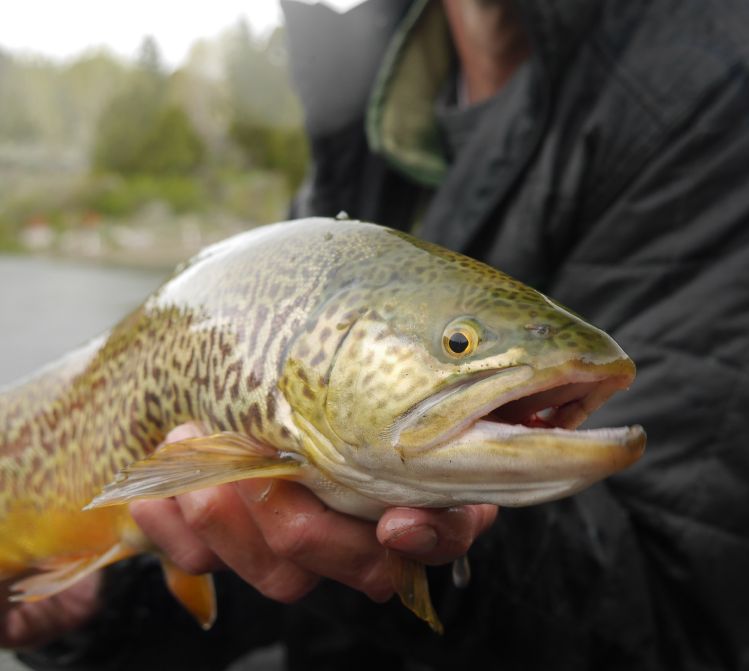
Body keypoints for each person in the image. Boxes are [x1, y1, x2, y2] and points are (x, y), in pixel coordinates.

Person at [6, 0, 749, 668]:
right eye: (458, 343)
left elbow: (681, 619)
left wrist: (431, 549)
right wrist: (100, 604)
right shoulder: (358, 86)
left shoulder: (714, 90)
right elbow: (243, 554)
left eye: (456, 344)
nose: (461, 350)